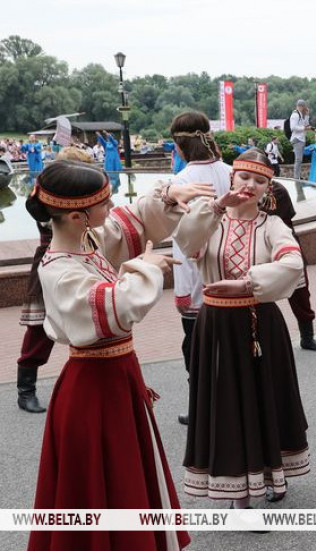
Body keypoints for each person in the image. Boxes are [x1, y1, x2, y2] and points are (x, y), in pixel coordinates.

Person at [26, 160, 213, 551]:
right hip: (94, 390)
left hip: (113, 379)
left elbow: (128, 224)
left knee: (120, 477)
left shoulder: (85, 245)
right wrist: (146, 270)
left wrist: (166, 199)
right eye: (104, 203)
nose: (112, 207)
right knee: (105, 480)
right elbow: (113, 308)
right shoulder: (60, 272)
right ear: (78, 216)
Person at [177, 149, 309, 509]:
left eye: (260, 180)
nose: (250, 185)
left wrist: (248, 284)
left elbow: (294, 262)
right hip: (216, 323)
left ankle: (270, 473)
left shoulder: (273, 225)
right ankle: (237, 489)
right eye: (244, 177)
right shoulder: (210, 218)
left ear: (268, 188)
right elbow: (187, 242)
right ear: (232, 178)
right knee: (226, 402)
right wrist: (217, 205)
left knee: (264, 397)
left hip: (259, 325)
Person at [15, 147, 96, 414]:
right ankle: (25, 391)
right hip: (51, 261)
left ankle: (90, 385)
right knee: (39, 329)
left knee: (90, 321)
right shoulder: (46, 196)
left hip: (82, 258)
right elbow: (46, 218)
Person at [167, 111, 233, 426]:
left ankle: (202, 405)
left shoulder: (180, 183)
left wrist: (182, 291)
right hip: (233, 270)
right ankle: (235, 399)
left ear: (178, 148)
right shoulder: (232, 173)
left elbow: (181, 239)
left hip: (196, 278)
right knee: (230, 342)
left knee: (195, 347)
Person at [263, 178, 316, 352]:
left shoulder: (277, 190)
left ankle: (307, 337)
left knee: (300, 293)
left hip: (286, 248)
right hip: (259, 250)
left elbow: (273, 217)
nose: (251, 182)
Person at [289, 99, 313, 179]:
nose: (305, 108)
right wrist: (304, 128)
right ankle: (296, 177)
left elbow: (306, 124)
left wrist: (307, 115)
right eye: (304, 107)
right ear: (301, 106)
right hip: (297, 139)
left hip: (301, 139)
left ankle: (298, 176)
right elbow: (292, 128)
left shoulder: (301, 115)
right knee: (298, 160)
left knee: (299, 160)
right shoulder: (295, 115)